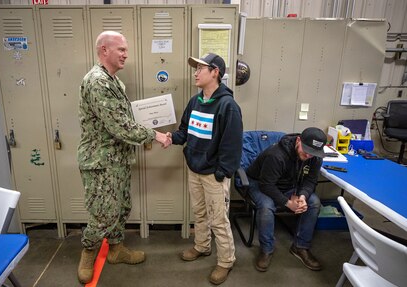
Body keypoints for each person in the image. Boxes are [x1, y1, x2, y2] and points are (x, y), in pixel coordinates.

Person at [77, 31, 171, 284]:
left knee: (121, 207)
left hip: (117, 159)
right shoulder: (98, 81)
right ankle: (88, 252)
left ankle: (116, 250)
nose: (125, 54)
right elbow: (119, 125)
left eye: (126, 50)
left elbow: (125, 119)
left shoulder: (115, 81)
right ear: (103, 51)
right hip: (100, 162)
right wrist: (155, 135)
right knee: (102, 214)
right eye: (120, 49)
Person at [167, 53, 243, 285]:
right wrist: (171, 137)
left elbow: (232, 148)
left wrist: (221, 173)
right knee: (199, 213)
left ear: (215, 72)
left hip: (214, 175)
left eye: (200, 68)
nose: (195, 73)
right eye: (195, 68)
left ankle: (226, 261)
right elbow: (184, 132)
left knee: (218, 219)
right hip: (194, 169)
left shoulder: (228, 106)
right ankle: (202, 246)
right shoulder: (195, 102)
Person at [246, 127, 326, 272]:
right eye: (306, 150)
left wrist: (302, 196)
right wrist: (288, 203)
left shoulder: (315, 157)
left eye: (313, 153)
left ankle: (300, 247)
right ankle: (267, 249)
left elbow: (310, 181)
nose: (308, 155)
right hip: (259, 183)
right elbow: (267, 185)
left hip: (288, 184)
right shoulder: (276, 155)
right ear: (298, 140)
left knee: (313, 201)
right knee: (266, 205)